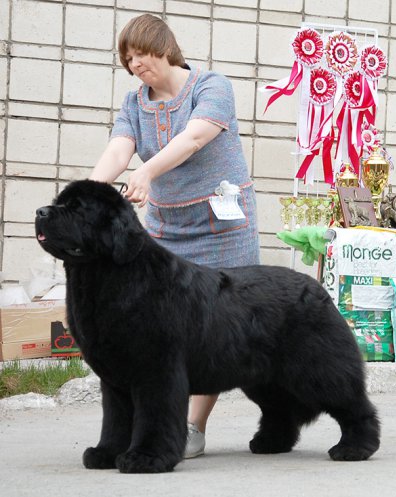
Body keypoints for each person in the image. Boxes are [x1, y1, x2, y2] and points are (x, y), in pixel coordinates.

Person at [89, 14, 260, 459]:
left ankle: (192, 428)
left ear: (163, 47)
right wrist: (89, 191)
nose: (135, 65)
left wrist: (145, 171)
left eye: (140, 54)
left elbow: (194, 138)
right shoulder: (134, 103)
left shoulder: (212, 87)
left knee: (217, 325)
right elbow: (118, 148)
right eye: (128, 60)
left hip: (224, 226)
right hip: (167, 231)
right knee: (162, 331)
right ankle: (157, 425)